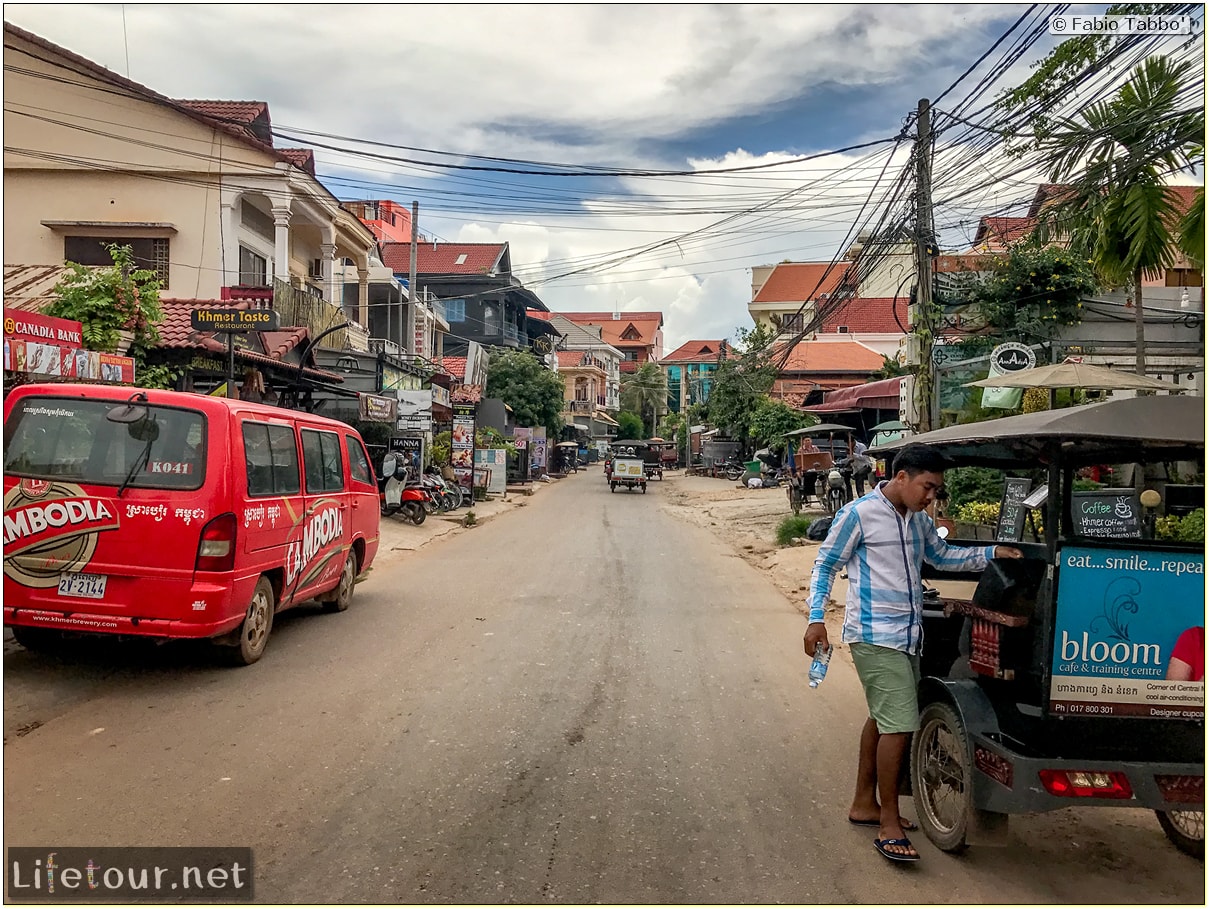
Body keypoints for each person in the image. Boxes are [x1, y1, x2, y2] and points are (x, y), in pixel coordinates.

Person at [803, 443, 1022, 863]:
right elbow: (826, 564)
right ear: (901, 477)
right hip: (874, 635)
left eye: (937, 490)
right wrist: (816, 619)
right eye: (928, 487)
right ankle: (888, 822)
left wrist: (991, 553)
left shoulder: (918, 521)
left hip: (909, 635)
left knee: (884, 718)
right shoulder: (858, 514)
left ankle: (864, 802)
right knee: (900, 726)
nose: (931, 497)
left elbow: (941, 556)